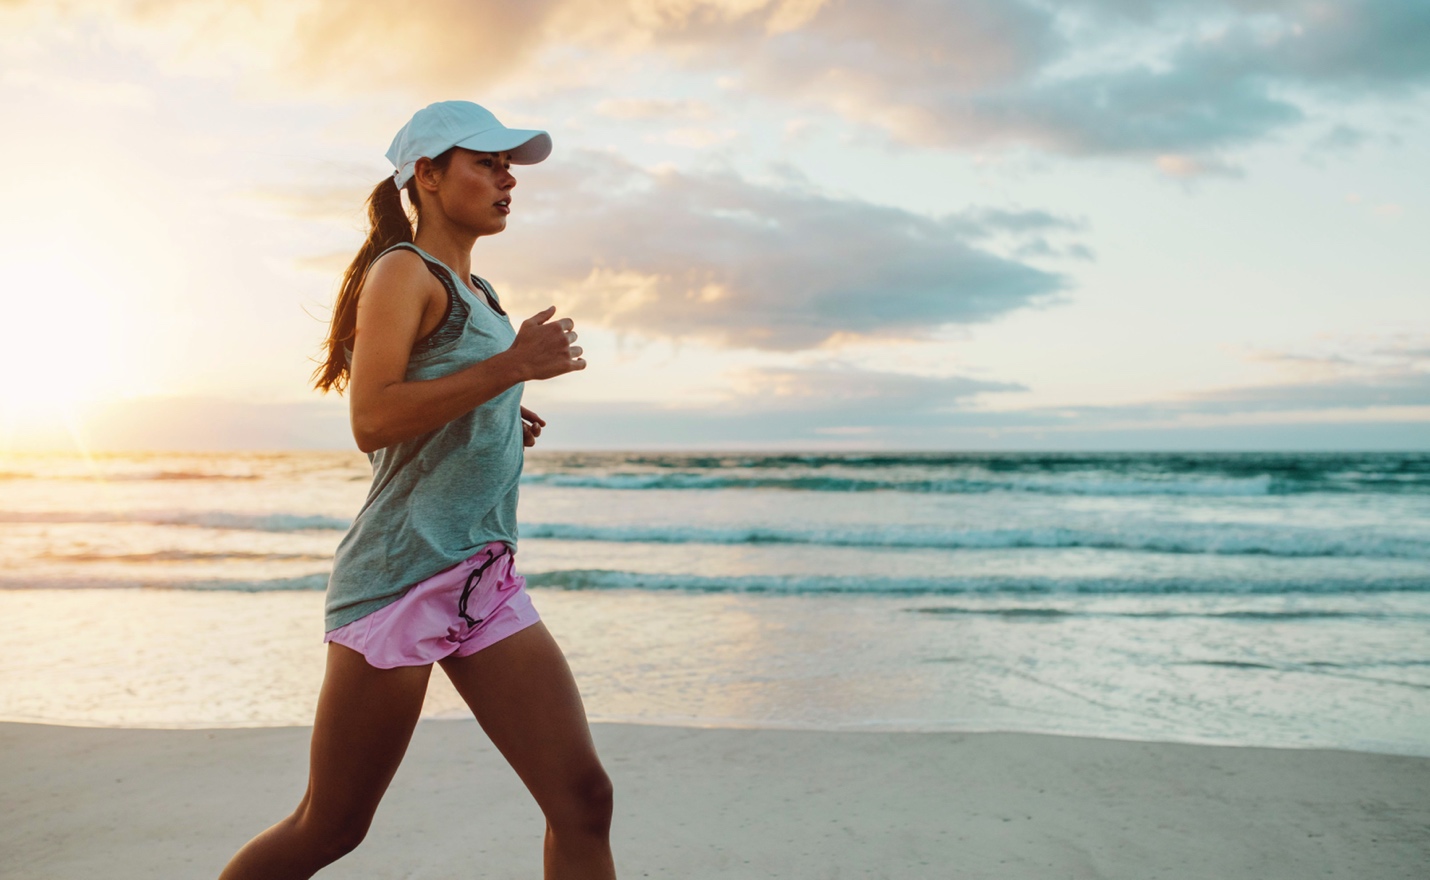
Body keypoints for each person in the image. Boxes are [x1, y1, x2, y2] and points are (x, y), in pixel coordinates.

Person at [218, 101, 614, 879]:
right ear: (427, 177)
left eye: (510, 167)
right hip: (401, 580)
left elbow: (439, 390)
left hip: (481, 578)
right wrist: (508, 370)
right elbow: (371, 417)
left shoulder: (484, 290)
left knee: (583, 799)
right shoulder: (402, 271)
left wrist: (501, 409)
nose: (507, 179)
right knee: (330, 827)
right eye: (487, 163)